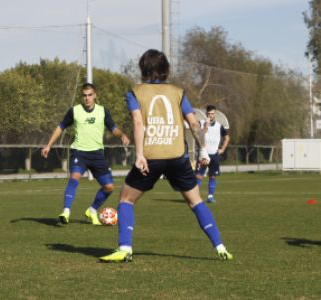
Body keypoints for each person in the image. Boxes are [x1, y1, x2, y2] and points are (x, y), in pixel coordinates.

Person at [99, 49, 233, 262]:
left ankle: (125, 248)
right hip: (177, 156)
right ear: (165, 69)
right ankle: (220, 247)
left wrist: (139, 155)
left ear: (144, 68)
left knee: (126, 199)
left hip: (151, 156)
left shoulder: (135, 92)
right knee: (196, 201)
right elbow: (194, 124)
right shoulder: (177, 92)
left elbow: (138, 122)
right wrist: (203, 152)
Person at [41, 83, 130, 225]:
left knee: (109, 187)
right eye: (84, 95)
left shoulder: (102, 111)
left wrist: (122, 135)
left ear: (95, 95)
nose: (87, 98)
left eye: (90, 95)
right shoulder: (74, 111)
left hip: (97, 154)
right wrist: (48, 145)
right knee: (75, 177)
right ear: (81, 96)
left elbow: (113, 128)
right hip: (79, 152)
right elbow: (60, 127)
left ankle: (92, 210)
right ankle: (66, 211)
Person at [195, 105, 230, 203]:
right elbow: (198, 134)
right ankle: (195, 197)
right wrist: (206, 127)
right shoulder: (200, 123)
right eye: (209, 113)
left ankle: (210, 197)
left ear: (215, 114)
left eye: (212, 113)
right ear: (206, 114)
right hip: (203, 153)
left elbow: (227, 138)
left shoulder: (219, 126)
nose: (211, 115)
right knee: (199, 175)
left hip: (214, 154)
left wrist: (222, 149)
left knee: (212, 176)